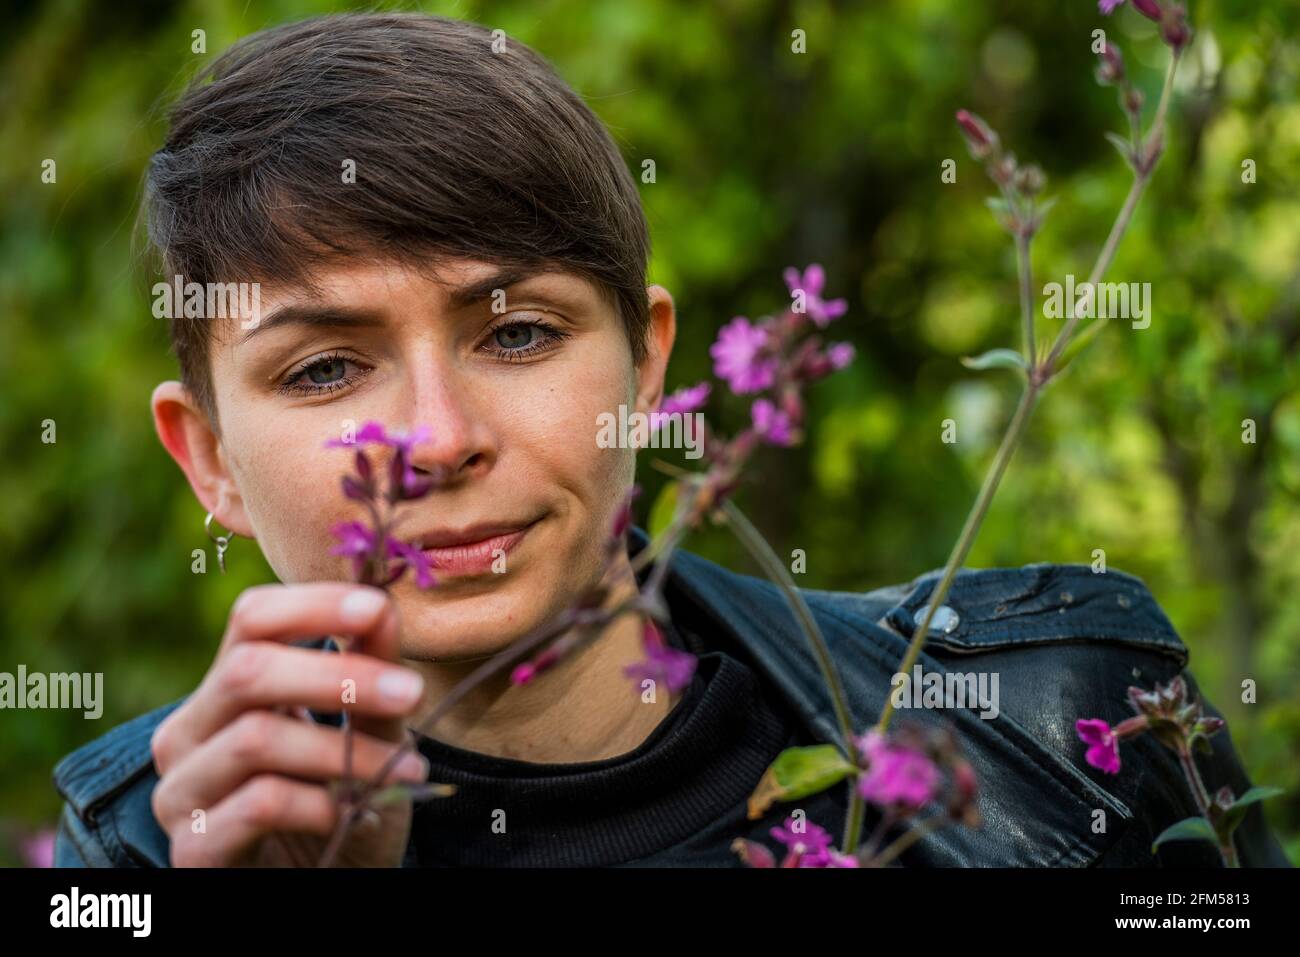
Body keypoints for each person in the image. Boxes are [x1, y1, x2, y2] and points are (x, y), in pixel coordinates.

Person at [51, 12, 1289, 868]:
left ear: (646, 364)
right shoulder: (123, 869)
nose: (435, 441)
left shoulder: (1073, 721)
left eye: (519, 334)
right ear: (206, 459)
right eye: (324, 368)